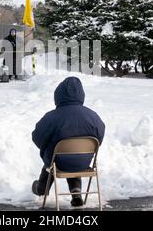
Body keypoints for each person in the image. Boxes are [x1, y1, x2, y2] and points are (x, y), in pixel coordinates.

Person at [31, 77, 105, 207]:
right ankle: (76, 192)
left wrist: (47, 148)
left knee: (53, 160)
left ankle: (41, 189)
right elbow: (100, 137)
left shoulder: (52, 117)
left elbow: (37, 136)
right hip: (83, 162)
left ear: (58, 95)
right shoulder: (93, 116)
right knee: (72, 158)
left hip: (58, 161)